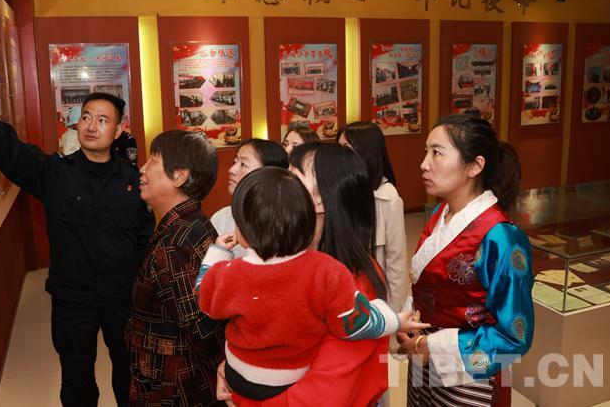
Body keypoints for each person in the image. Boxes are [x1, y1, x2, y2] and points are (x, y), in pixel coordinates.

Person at [0, 81, 154, 407]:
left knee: (131, 373)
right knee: (77, 381)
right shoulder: (56, 173)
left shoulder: (133, 180)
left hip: (122, 299)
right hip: (73, 300)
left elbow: (144, 239)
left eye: (102, 120)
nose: (91, 126)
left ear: (119, 129)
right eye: (86, 117)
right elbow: (16, 156)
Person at [197, 166, 425, 401]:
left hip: (238, 375)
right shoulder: (325, 271)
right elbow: (355, 323)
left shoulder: (231, 273)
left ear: (243, 233)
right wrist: (394, 320)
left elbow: (203, 292)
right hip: (290, 380)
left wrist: (217, 253)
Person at [399, 114, 534, 406]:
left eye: (437, 153)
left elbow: (515, 337)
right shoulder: (441, 213)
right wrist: (409, 320)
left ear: (475, 166)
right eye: (426, 151)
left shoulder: (501, 237)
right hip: (423, 361)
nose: (424, 163)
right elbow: (430, 283)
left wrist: (431, 346)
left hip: (469, 379)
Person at [127, 130, 225, 405]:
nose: (142, 169)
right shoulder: (192, 223)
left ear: (179, 176)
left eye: (153, 161)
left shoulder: (176, 243)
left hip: (173, 388)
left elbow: (202, 327)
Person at [338, 122, 408, 339]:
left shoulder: (388, 196)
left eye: (346, 149)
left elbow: (396, 260)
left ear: (366, 153)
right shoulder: (339, 190)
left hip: (376, 299)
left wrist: (394, 313)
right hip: (345, 293)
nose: (341, 156)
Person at [210, 139, 288, 241]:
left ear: (268, 174)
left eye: (243, 164)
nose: (232, 170)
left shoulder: (283, 222)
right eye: (235, 162)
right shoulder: (221, 217)